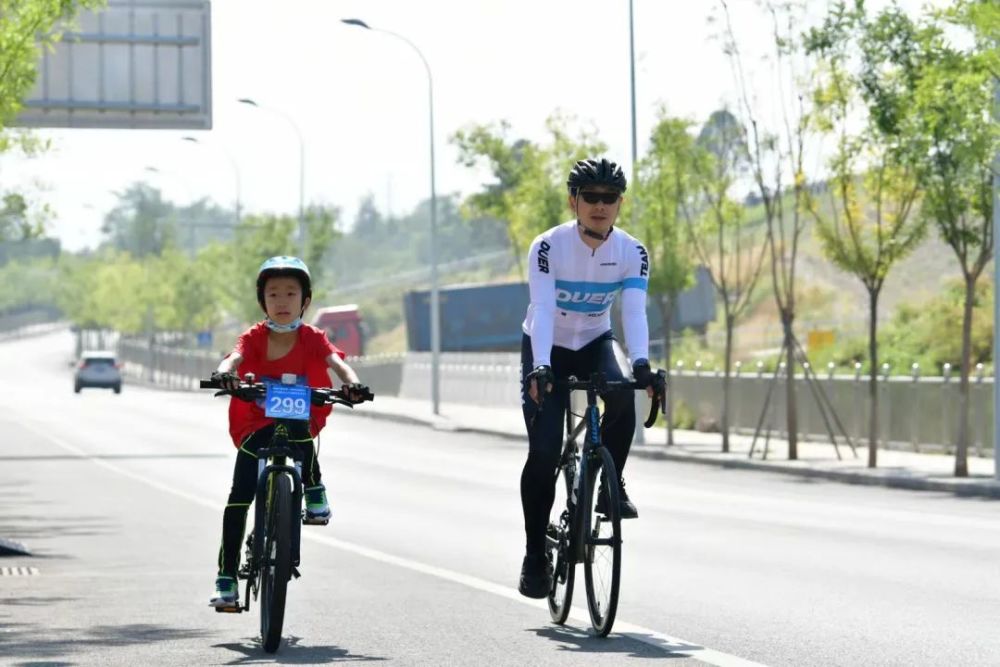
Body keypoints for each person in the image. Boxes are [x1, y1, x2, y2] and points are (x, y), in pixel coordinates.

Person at [517, 158, 664, 599]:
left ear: (620, 204)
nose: (600, 206)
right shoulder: (548, 246)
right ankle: (533, 555)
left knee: (622, 401)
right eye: (591, 198)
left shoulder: (632, 252)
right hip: (547, 346)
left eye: (609, 198)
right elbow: (542, 308)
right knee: (544, 452)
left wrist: (641, 364)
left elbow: (633, 312)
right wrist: (541, 364)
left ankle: (609, 483)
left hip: (596, 340)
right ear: (574, 201)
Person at [208, 256, 369, 608]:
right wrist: (224, 372)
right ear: (262, 301)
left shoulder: (313, 338)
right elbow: (233, 358)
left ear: (305, 300)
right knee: (238, 499)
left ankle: (313, 487)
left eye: (291, 294)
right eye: (274, 294)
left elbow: (338, 363)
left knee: (297, 426)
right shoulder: (253, 337)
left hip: (300, 421)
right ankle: (226, 578)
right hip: (256, 422)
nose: (282, 302)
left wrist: (353, 384)